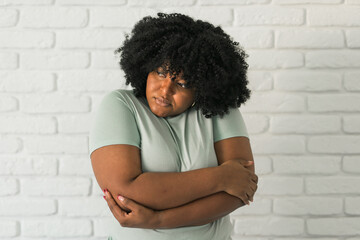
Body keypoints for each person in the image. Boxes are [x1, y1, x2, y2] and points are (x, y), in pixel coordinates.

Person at [89, 12, 258, 240]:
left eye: (183, 83)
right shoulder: (120, 105)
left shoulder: (220, 110)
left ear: (202, 86)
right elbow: (126, 191)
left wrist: (158, 220)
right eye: (160, 73)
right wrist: (221, 177)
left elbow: (241, 190)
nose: (165, 90)